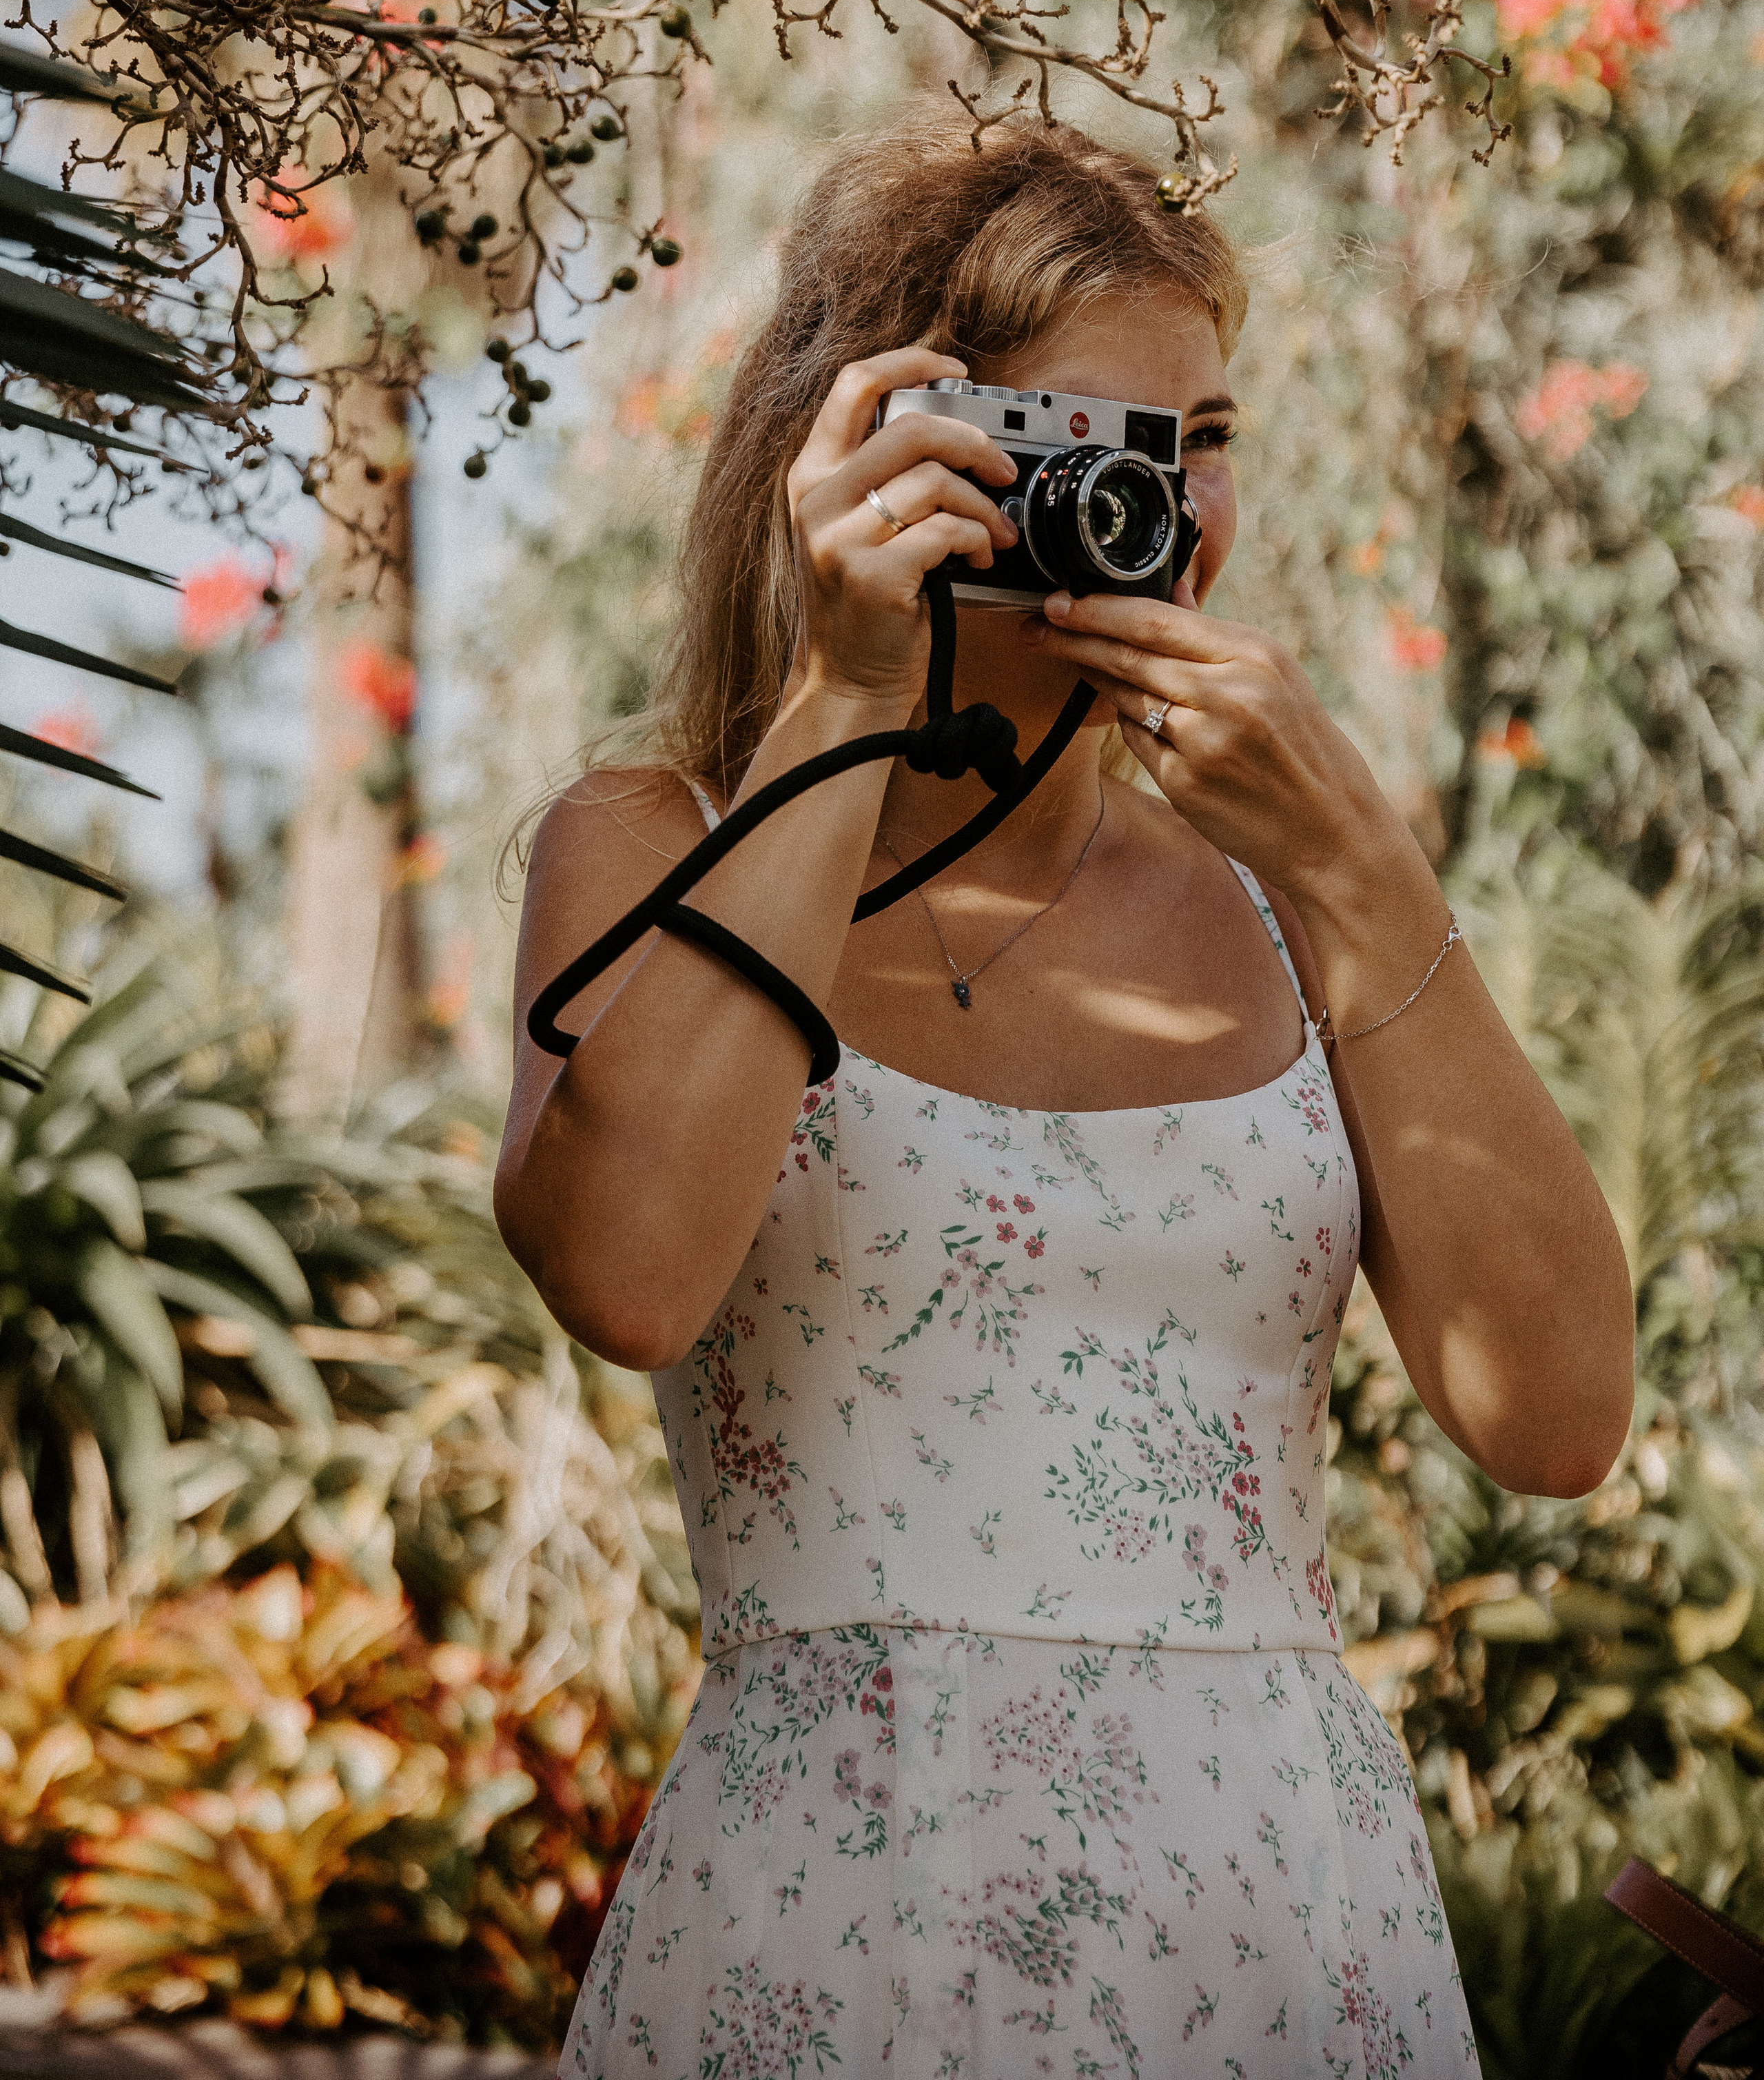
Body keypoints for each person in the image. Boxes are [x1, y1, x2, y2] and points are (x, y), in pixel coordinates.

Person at [495, 120, 1633, 2079]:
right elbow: (627, 1278)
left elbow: (1557, 1417)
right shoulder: (647, 845)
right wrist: (847, 694)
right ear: (865, 453)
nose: (1166, 518)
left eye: (1201, 446)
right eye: (1090, 455)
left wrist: (1366, 871)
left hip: (1277, 1917)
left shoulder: (1294, 909)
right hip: (832, 1911)